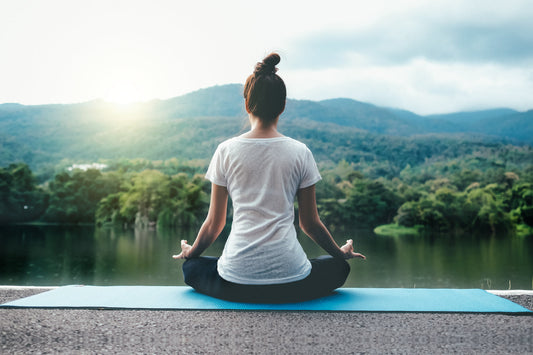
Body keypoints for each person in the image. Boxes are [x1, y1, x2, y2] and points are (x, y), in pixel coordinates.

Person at [173, 53, 365, 303]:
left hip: (235, 283)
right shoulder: (301, 152)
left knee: (192, 268)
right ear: (283, 106)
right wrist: (340, 254)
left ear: (247, 104)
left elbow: (214, 224)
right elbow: (310, 224)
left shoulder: (225, 150)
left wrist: (191, 253)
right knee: (339, 268)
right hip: (292, 283)